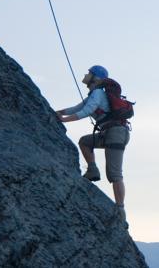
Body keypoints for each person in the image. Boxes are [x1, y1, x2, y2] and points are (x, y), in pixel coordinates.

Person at [56, 65, 131, 223]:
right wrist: (59, 113)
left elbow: (86, 111)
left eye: (89, 73)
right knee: (85, 142)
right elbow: (77, 108)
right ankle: (92, 170)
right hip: (112, 133)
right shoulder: (95, 94)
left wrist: (63, 120)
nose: (86, 75)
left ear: (95, 77)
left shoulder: (97, 93)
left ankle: (120, 210)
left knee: (114, 173)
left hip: (115, 133)